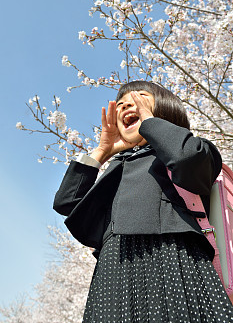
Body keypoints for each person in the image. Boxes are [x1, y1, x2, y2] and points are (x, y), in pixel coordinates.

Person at [53, 81, 233, 322]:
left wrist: (150, 123)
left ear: (165, 107)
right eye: (121, 103)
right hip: (114, 270)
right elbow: (67, 202)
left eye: (140, 96)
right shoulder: (118, 166)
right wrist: (103, 151)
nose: (127, 103)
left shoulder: (190, 148)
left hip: (172, 257)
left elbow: (186, 159)